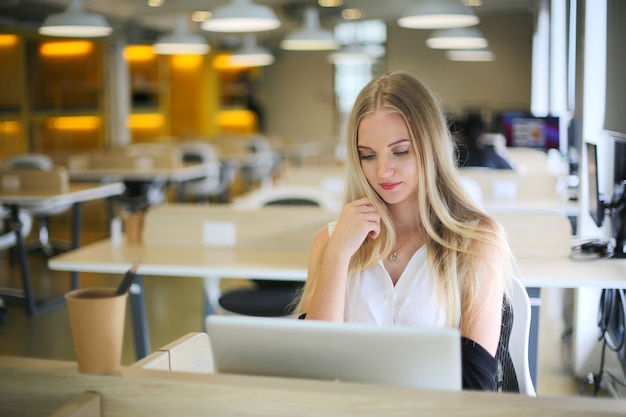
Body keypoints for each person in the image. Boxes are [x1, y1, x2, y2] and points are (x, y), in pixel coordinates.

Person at [294, 71, 514, 391]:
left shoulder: (477, 242)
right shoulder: (330, 242)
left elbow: (476, 387)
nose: (382, 171)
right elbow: (311, 374)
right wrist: (338, 254)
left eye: (400, 151)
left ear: (430, 147)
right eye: (368, 155)